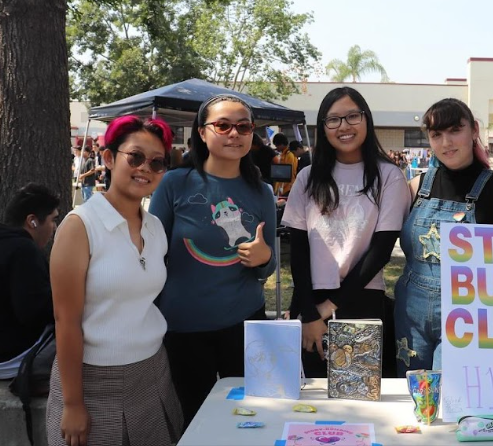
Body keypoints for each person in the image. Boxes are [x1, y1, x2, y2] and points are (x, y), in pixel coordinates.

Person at [47, 115, 183, 446]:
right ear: (108, 158)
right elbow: (66, 321)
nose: (145, 168)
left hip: (153, 373)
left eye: (157, 162)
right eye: (134, 157)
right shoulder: (80, 226)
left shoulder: (155, 228)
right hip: (93, 382)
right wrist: (73, 403)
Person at [149, 94, 277, 427]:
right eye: (222, 125)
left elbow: (269, 262)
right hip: (183, 327)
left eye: (244, 126)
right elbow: (152, 253)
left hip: (244, 322)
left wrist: (264, 258)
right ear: (203, 132)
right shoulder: (175, 183)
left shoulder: (262, 191)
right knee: (197, 421)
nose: (234, 133)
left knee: (250, 418)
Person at [282, 86, 411, 379]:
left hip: (362, 296)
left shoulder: (388, 176)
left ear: (366, 119)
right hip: (311, 300)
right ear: (323, 127)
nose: (344, 126)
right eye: (333, 119)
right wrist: (310, 313)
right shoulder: (308, 177)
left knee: (357, 393)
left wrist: (329, 307)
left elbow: (380, 252)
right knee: (312, 395)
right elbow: (299, 252)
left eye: (352, 116)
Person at [394, 98, 493, 376]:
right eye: (436, 134)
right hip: (410, 316)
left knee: (452, 401)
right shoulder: (416, 185)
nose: (446, 142)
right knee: (411, 396)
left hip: (466, 318)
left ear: (474, 130)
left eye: (455, 130)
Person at [0, 183, 59, 378]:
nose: (54, 227)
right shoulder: (24, 250)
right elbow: (34, 312)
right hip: (10, 358)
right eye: (53, 220)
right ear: (32, 221)